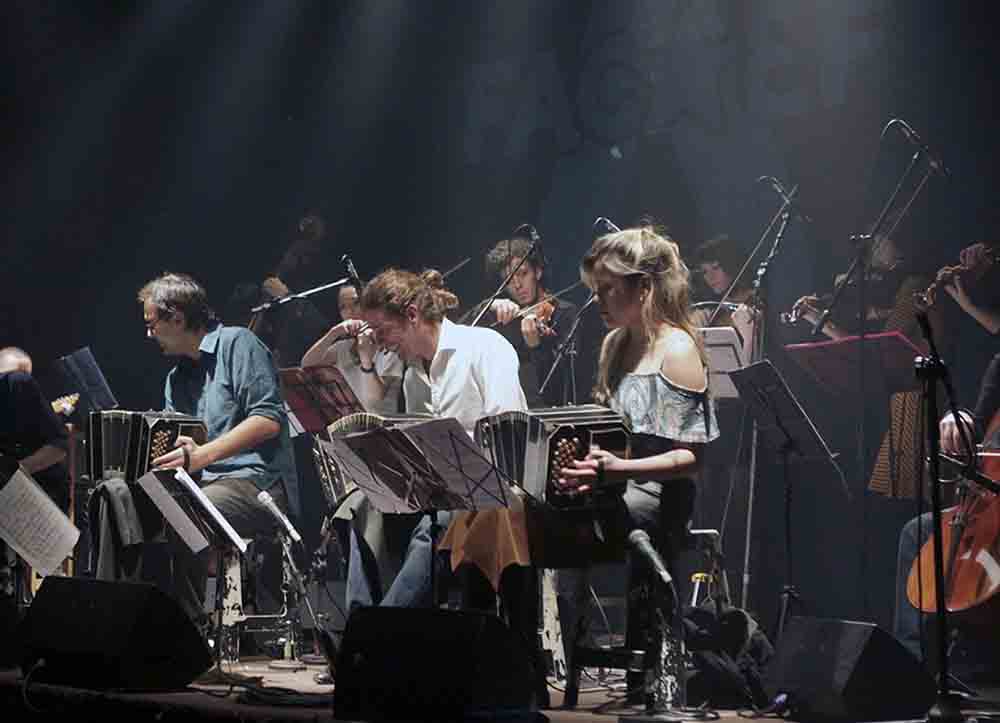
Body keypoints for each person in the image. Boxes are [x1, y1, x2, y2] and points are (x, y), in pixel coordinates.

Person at [553, 225, 719, 703]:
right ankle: (522, 659)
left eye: (607, 289)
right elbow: (606, 431)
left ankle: (646, 664)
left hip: (662, 495)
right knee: (525, 512)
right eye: (594, 291)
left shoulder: (679, 349)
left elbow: (690, 458)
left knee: (567, 516)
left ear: (642, 288)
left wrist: (616, 471)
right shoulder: (614, 345)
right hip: (614, 483)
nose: (598, 301)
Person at [92, 272, 299, 625]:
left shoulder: (239, 343)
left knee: (182, 513)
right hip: (204, 486)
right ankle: (117, 618)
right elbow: (185, 448)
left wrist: (203, 455)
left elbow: (268, 421)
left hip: (257, 484)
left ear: (177, 317)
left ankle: (187, 628)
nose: (147, 334)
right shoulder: (176, 379)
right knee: (115, 498)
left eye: (151, 323)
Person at [343, 267, 528, 611]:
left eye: (383, 330)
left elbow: (508, 435)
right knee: (360, 506)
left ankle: (385, 632)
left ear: (412, 315)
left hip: (486, 492)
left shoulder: (483, 346)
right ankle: (359, 622)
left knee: (439, 525)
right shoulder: (413, 374)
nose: (380, 342)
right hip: (435, 488)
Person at [790, 231, 942, 498]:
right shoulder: (894, 286)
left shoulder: (915, 284)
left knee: (901, 491)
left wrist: (823, 322)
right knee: (887, 490)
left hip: (915, 397)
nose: (872, 249)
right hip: (896, 394)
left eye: (880, 241)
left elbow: (880, 345)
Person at [481, 235, 595, 406]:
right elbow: (463, 330)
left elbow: (563, 384)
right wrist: (490, 304)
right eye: (508, 280)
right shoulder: (504, 315)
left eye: (523, 274)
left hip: (548, 414)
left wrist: (537, 347)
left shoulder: (564, 313)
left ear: (538, 272)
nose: (517, 285)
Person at [300, 283, 403, 414]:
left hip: (384, 427)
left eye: (355, 303)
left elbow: (375, 401)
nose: (350, 312)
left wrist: (365, 357)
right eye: (343, 307)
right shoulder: (342, 348)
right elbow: (307, 365)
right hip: (353, 426)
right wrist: (334, 332)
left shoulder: (389, 346)